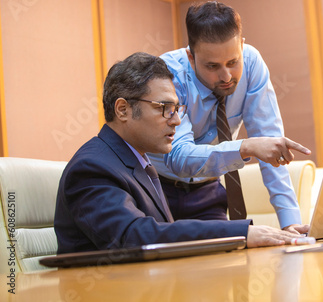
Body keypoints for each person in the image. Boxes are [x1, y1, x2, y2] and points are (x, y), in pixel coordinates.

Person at [54, 52, 300, 254]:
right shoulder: (92, 168)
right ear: (122, 110)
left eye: (177, 108)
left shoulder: (136, 161)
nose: (176, 120)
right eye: (164, 109)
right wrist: (239, 232)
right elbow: (134, 237)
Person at [149, 1, 311, 234]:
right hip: (158, 190)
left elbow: (270, 143)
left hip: (208, 189)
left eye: (233, 62)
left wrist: (290, 221)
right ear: (191, 57)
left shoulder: (252, 62)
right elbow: (179, 158)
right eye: (212, 66)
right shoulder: (168, 74)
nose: (226, 76)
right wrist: (246, 147)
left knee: (226, 261)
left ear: (241, 47)